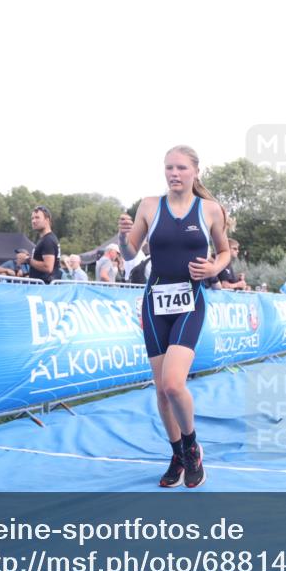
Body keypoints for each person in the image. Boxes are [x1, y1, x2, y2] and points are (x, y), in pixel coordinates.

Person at [116, 145, 231, 489]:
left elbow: (224, 251)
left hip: (190, 302)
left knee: (173, 383)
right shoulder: (149, 206)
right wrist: (123, 237)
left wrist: (214, 266)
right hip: (154, 304)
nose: (174, 173)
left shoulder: (210, 209)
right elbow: (130, 252)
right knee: (161, 392)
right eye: (169, 168)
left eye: (181, 167)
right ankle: (177, 453)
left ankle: (193, 447)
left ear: (195, 171)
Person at [26, 205, 62, 284]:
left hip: (44, 288)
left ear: (47, 220)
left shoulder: (48, 240)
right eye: (32, 218)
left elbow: (48, 267)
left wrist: (28, 260)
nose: (33, 221)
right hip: (43, 287)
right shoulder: (46, 239)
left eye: (37, 217)